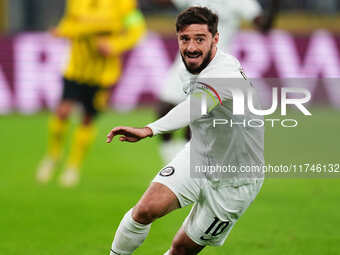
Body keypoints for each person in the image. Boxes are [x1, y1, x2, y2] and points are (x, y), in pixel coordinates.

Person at [106, 7, 264, 255]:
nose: (191, 47)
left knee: (181, 249)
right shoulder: (185, 69)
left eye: (200, 39)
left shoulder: (225, 74)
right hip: (198, 156)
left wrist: (150, 129)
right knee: (144, 211)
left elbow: (192, 109)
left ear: (216, 39)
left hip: (236, 178)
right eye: (185, 39)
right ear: (177, 38)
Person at [36, 0, 146, 187]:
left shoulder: (124, 4)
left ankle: (73, 167)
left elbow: (137, 30)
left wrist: (115, 45)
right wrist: (62, 31)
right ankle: (53, 156)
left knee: (87, 118)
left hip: (103, 74)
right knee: (62, 112)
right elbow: (70, 22)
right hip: (76, 69)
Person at [156, 0, 279, 163]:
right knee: (165, 106)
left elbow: (263, 26)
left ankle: (187, 164)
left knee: (198, 117)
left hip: (215, 64)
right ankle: (171, 157)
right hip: (186, 59)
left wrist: (276, 5)